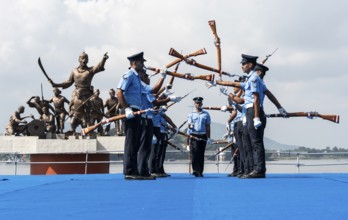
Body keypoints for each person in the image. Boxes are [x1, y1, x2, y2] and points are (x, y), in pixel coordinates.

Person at [216, 54, 287, 178]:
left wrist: (256, 117)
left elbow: (256, 98)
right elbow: (237, 85)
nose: (242, 66)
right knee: (250, 143)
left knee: (255, 142)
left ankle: (259, 170)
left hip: (253, 111)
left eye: (243, 64)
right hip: (250, 112)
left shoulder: (254, 78)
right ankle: (253, 169)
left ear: (250, 65)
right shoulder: (251, 78)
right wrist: (219, 82)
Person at [117, 52, 154, 180]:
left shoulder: (137, 77)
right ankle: (129, 171)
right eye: (142, 62)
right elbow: (119, 92)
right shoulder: (129, 75)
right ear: (135, 63)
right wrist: (127, 108)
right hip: (131, 110)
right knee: (131, 142)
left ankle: (135, 170)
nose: (143, 65)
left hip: (137, 110)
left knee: (135, 141)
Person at [49, 51, 109, 121]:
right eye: (82, 58)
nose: (84, 60)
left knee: (89, 109)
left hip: (87, 93)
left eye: (86, 58)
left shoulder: (90, 70)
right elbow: (69, 82)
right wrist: (56, 84)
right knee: (74, 107)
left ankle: (88, 125)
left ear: (88, 60)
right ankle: (73, 125)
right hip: (77, 93)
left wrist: (104, 59)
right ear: (79, 59)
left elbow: (99, 66)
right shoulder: (74, 71)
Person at [187, 97, 212, 177]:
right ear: (194, 104)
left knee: (201, 153)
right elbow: (189, 125)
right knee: (195, 152)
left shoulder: (206, 114)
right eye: (197, 103)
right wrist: (190, 126)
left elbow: (208, 126)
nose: (198, 104)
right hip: (194, 135)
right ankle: (195, 170)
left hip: (203, 135)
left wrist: (209, 137)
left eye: (199, 103)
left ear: (202, 104)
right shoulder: (191, 114)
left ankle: (200, 171)